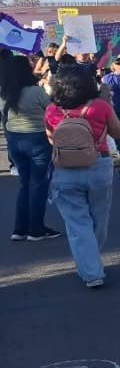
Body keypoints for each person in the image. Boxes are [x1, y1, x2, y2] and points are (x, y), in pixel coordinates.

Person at [45, 66, 120, 287]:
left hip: (65, 169)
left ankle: (91, 270)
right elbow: (117, 133)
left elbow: (51, 139)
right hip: (98, 164)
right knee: (99, 218)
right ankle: (92, 263)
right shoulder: (100, 106)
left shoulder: (51, 110)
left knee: (77, 222)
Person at [3, 53, 59, 241]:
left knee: (25, 183)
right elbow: (51, 109)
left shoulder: (5, 93)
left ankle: (20, 228)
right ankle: (36, 228)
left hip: (14, 139)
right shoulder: (35, 92)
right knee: (38, 184)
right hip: (37, 138)